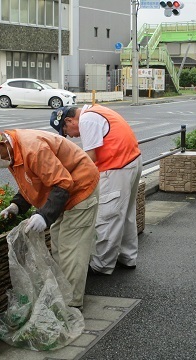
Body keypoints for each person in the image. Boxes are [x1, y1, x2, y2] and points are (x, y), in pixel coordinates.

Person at [0, 126, 99, 309]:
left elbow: (63, 183)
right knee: (58, 244)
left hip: (81, 187)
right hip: (63, 192)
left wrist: (44, 216)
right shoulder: (12, 152)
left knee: (71, 248)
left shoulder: (33, 149)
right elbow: (32, 180)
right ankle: (64, 294)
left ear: (1, 142)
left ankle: (72, 305)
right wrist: (16, 205)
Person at [50, 105, 143, 275]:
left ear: (69, 120)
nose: (70, 135)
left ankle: (101, 265)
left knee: (108, 216)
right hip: (131, 161)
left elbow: (89, 158)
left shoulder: (87, 119)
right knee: (126, 214)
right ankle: (127, 257)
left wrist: (72, 181)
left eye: (66, 130)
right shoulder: (97, 111)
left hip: (116, 167)